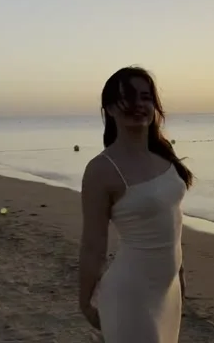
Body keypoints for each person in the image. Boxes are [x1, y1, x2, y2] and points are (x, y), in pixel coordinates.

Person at [78, 66, 193, 343]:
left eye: (146, 97)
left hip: (168, 291)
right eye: (128, 98)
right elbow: (93, 245)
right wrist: (85, 301)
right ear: (109, 108)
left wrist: (179, 272)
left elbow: (172, 219)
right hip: (130, 294)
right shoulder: (101, 169)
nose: (138, 105)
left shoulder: (163, 154)